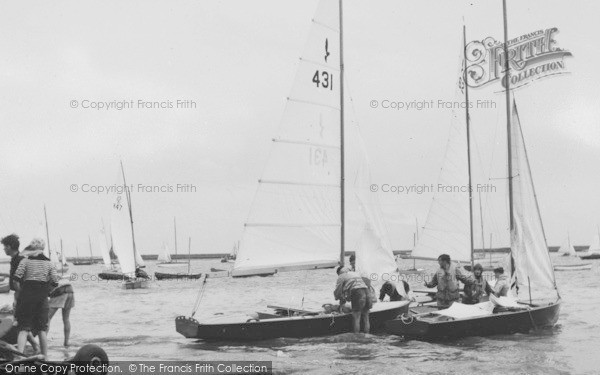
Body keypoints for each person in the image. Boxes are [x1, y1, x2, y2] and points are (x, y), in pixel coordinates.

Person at [13, 238, 60, 358]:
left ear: (32, 248)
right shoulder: (49, 263)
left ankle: (20, 356)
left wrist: (20, 292)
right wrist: (46, 291)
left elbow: (16, 280)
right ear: (43, 248)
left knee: (23, 328)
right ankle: (45, 357)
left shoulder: (25, 261)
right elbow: (55, 282)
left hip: (27, 297)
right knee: (41, 329)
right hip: (42, 298)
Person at [1, 234, 39, 352]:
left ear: (10, 246)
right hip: (18, 295)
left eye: (5, 246)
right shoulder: (14, 260)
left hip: (23, 296)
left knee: (21, 323)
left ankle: (24, 350)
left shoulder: (20, 260)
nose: (3, 249)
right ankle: (35, 346)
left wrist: (21, 297)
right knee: (21, 323)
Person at [333, 266, 371, 333]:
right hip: (366, 291)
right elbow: (367, 282)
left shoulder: (341, 276)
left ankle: (356, 336)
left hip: (358, 292)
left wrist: (338, 299)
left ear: (339, 273)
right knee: (366, 316)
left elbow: (338, 292)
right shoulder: (355, 274)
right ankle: (367, 335)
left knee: (356, 317)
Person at [48, 283, 74, 347]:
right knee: (66, 319)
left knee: (47, 319)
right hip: (70, 290)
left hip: (58, 292)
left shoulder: (52, 272)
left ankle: (42, 342)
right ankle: (66, 343)